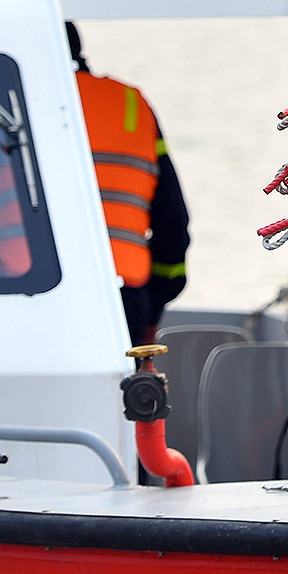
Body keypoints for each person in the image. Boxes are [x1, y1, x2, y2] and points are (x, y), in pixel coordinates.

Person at [67, 24, 191, 345]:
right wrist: (152, 313)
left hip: (24, 290)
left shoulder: (3, 100)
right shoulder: (130, 104)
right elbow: (172, 221)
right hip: (122, 295)